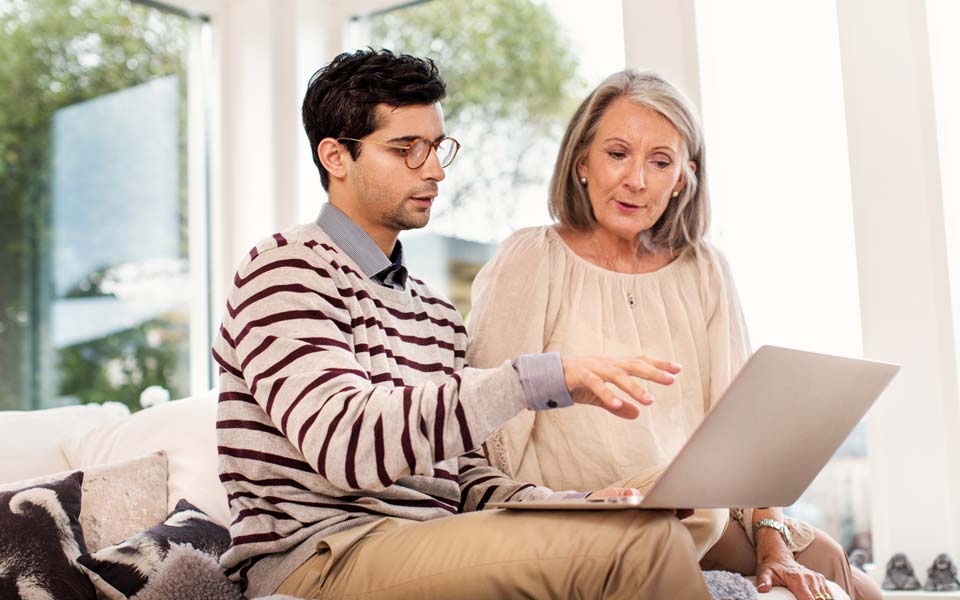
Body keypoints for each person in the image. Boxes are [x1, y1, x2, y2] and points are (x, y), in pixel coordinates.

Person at [211, 50, 712, 600]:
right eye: (406, 150)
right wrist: (535, 380)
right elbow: (346, 446)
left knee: (649, 521)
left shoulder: (434, 312)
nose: (434, 170)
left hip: (428, 542)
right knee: (644, 547)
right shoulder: (285, 267)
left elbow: (462, 481)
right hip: (323, 558)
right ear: (336, 156)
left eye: (437, 147)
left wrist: (571, 510)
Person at [467, 69, 882, 600]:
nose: (637, 180)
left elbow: (745, 432)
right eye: (618, 153)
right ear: (582, 164)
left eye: (659, 162)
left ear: (683, 177)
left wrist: (772, 540)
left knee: (843, 576)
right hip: (582, 517)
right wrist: (561, 507)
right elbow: (486, 428)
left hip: (694, 516)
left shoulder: (704, 268)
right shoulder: (530, 258)